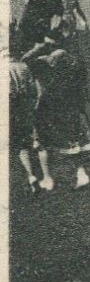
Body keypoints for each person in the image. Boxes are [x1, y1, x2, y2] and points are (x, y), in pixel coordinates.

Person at [30, 45, 90, 190]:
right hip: (71, 113)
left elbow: (27, 60)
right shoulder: (74, 77)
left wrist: (38, 51)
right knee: (75, 145)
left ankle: (47, 178)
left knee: (42, 144)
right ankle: (81, 173)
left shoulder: (47, 77)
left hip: (49, 114)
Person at [10, 52, 42, 194]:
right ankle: (31, 175)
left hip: (10, 109)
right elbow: (34, 89)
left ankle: (30, 175)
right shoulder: (23, 66)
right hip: (24, 107)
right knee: (24, 143)